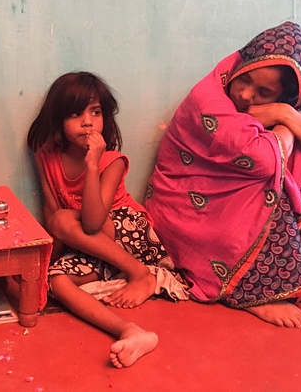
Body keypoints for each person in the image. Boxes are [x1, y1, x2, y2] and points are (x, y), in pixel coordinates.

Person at [145, 21, 301, 329]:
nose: (246, 95)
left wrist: (286, 116)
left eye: (264, 92)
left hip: (230, 200)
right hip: (187, 211)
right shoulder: (209, 101)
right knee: (277, 166)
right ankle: (254, 294)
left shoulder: (281, 109)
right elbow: (264, 161)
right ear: (243, 64)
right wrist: (291, 121)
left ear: (286, 97)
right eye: (245, 80)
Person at [27, 72, 188, 368]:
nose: (87, 122)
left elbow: (91, 222)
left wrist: (91, 164)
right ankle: (130, 331)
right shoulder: (44, 152)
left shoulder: (111, 161)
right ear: (57, 120)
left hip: (127, 232)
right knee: (57, 282)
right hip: (89, 243)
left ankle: (140, 274)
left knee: (64, 220)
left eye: (95, 112)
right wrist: (50, 264)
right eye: (75, 114)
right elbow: (50, 209)